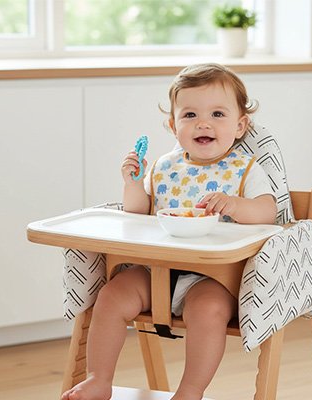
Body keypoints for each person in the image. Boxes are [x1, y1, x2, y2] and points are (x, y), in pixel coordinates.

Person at [61, 63, 277, 400]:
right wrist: (133, 184)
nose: (203, 123)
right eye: (190, 114)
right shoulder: (165, 167)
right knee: (111, 295)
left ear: (240, 125)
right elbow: (138, 213)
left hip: (214, 278)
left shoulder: (246, 169)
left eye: (217, 114)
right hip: (156, 269)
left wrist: (235, 205)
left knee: (208, 311)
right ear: (174, 126)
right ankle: (98, 379)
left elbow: (268, 212)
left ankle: (190, 391)